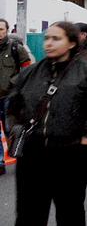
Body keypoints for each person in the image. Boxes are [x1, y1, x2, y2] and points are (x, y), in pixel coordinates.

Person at [7, 21, 87, 225]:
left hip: (69, 152)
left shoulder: (86, 71)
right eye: (47, 38)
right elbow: (13, 105)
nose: (49, 43)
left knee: (70, 211)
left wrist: (86, 138)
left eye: (56, 38)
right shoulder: (30, 72)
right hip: (33, 153)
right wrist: (15, 128)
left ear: (71, 43)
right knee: (28, 212)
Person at [0, 18, 30, 176]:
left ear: (6, 30)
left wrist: (14, 84)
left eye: (1, 29)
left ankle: (20, 153)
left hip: (10, 96)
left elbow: (27, 69)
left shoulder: (15, 48)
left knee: (10, 128)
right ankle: (0, 162)